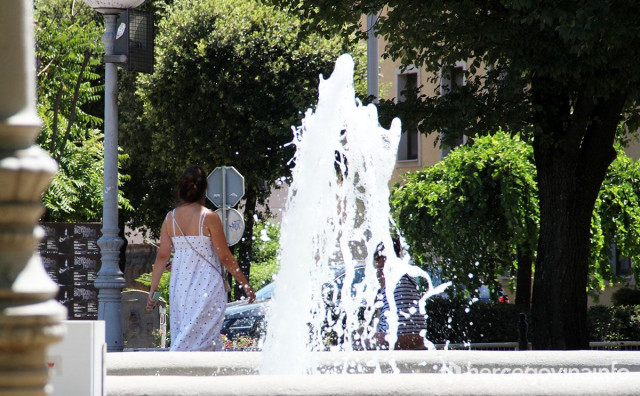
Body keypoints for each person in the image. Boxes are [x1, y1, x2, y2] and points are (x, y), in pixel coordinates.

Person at [146, 165, 256, 351]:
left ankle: (187, 373)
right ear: (206, 188)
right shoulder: (209, 217)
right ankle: (179, 368)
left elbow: (162, 256)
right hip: (207, 284)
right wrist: (245, 284)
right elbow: (225, 256)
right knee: (205, 335)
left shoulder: (170, 219)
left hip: (180, 285)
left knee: (185, 331)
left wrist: (153, 291)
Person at [369, 240, 428, 350]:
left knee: (361, 342)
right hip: (419, 338)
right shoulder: (408, 273)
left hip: (397, 338)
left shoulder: (388, 273)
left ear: (381, 258)